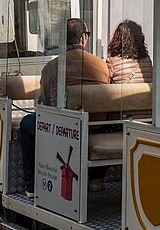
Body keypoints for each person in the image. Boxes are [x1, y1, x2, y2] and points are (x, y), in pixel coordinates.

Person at [20, 19, 110, 193]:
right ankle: (95, 177)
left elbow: (44, 103)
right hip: (96, 126)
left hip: (62, 130)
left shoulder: (51, 67)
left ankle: (30, 184)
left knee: (26, 123)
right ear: (83, 38)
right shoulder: (101, 65)